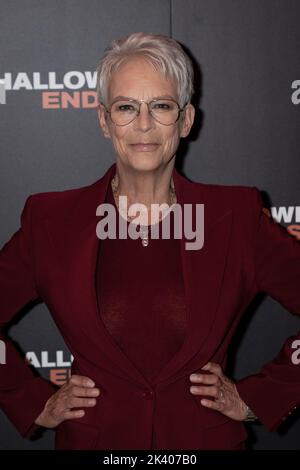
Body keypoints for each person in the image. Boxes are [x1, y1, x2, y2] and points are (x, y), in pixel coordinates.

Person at [0, 31, 300, 451]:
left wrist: (259, 397)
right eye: (126, 107)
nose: (144, 124)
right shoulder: (51, 221)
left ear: (186, 120)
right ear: (104, 121)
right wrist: (31, 400)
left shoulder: (236, 218)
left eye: (161, 106)